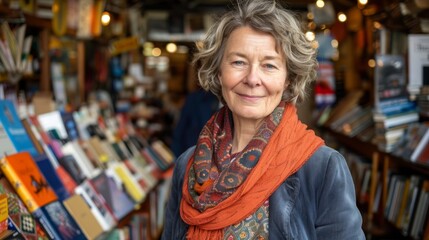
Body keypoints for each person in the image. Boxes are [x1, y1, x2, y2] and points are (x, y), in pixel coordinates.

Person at [161, 0, 365, 239]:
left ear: (288, 78)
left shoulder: (322, 168)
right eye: (238, 62)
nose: (252, 78)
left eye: (269, 65)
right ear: (218, 71)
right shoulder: (187, 166)